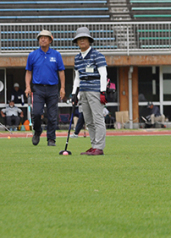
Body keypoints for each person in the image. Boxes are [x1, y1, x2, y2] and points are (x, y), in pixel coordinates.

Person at [71, 27, 108, 156]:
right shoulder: (77, 58)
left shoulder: (97, 55)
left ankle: (99, 147)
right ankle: (93, 146)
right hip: (83, 91)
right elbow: (77, 77)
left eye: (84, 38)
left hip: (95, 90)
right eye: (79, 39)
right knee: (88, 120)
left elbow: (103, 74)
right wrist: (74, 93)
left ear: (89, 40)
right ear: (76, 42)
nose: (81, 41)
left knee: (98, 119)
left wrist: (102, 92)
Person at [25, 29, 65, 146]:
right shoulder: (32, 55)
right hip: (38, 89)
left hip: (53, 88)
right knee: (36, 113)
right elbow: (28, 72)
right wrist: (28, 86)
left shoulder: (56, 55)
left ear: (50, 40)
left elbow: (61, 72)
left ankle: (51, 139)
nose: (43, 39)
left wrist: (62, 88)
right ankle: (37, 131)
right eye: (40, 37)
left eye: (45, 37)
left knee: (52, 116)